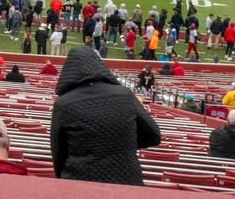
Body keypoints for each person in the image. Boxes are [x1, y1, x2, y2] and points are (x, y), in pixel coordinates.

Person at [50, 46, 161, 185]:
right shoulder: (125, 94)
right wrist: (122, 144)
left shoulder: (63, 104)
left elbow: (58, 153)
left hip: (80, 181)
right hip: (127, 181)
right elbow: (154, 135)